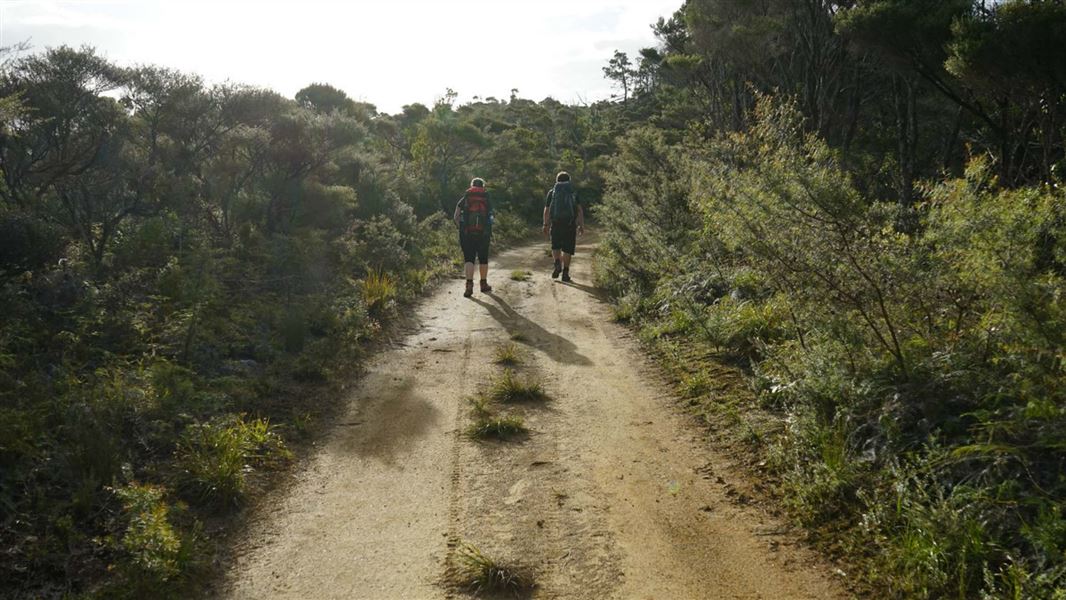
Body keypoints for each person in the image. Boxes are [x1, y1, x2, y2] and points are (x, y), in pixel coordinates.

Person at [454, 177, 494, 297]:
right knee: (483, 258)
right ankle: (483, 284)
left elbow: (456, 215)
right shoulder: (487, 198)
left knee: (469, 259)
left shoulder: (465, 197)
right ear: (483, 186)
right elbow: (491, 217)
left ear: (471, 186)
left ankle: (469, 286)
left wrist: (461, 228)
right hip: (483, 234)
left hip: (467, 233)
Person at [542, 171, 584, 282]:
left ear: (557, 180)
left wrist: (546, 224)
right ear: (569, 180)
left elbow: (547, 210)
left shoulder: (552, 192)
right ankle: (565, 273)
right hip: (570, 225)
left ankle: (557, 263)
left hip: (556, 224)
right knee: (567, 249)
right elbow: (579, 210)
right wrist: (581, 225)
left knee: (555, 246)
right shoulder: (573, 192)